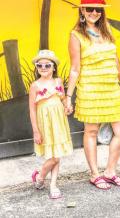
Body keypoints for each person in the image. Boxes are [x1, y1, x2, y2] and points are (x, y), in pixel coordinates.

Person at [66, 0, 120, 190]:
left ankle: (110, 171)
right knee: (92, 131)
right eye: (90, 9)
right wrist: (68, 96)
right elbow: (75, 68)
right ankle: (95, 174)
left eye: (98, 9)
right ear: (82, 11)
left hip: (111, 88)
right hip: (90, 89)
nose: (94, 12)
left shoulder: (107, 30)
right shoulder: (76, 35)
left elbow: (115, 56)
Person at [29, 50, 73, 199]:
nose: (43, 67)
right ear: (36, 67)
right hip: (45, 123)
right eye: (39, 65)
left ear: (54, 67)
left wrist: (67, 106)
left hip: (58, 121)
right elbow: (32, 110)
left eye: (47, 65)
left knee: (57, 154)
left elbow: (62, 99)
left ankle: (52, 184)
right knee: (53, 156)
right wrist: (36, 130)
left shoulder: (58, 81)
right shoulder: (35, 85)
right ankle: (40, 176)